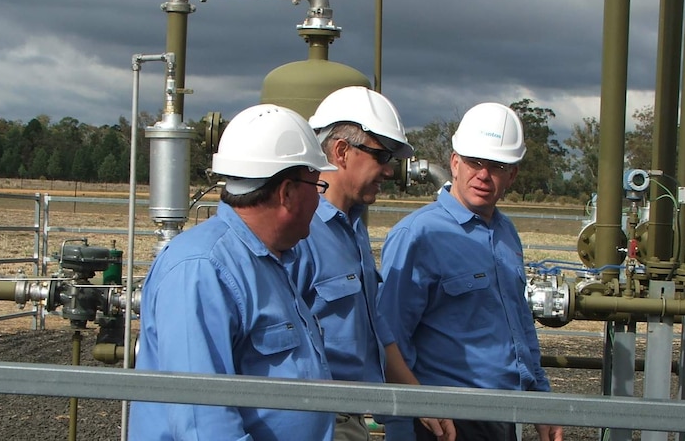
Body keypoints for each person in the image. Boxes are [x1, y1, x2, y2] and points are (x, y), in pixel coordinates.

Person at [129, 103, 338, 441]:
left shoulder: (270, 261)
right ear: (287, 193)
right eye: (316, 186)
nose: (318, 201)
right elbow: (202, 424)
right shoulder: (200, 269)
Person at [377, 102, 564, 441]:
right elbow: (390, 337)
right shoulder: (418, 235)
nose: (483, 174)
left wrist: (541, 401)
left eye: (496, 166)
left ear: (513, 174)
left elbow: (520, 326)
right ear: (455, 163)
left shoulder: (506, 234)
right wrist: (407, 417)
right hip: (442, 421)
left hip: (502, 417)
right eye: (475, 162)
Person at [290, 86, 455, 441]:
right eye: (382, 157)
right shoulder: (299, 232)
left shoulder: (353, 226)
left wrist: (417, 398)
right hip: (315, 417)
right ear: (341, 151)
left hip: (350, 415)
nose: (390, 171)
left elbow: (375, 324)